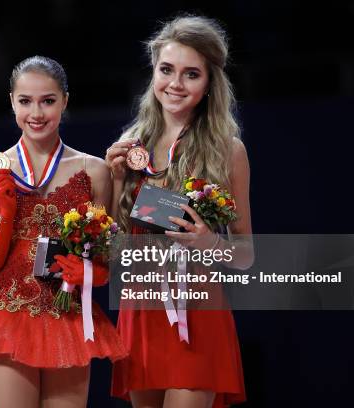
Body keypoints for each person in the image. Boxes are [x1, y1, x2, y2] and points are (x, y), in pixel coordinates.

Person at [0, 56, 127, 408]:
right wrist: (6, 213)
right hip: (8, 316)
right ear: (11, 101)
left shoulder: (95, 170)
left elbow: (107, 258)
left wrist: (90, 271)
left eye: (48, 101)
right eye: (25, 101)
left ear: (65, 101)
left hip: (67, 315)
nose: (36, 113)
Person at [105, 16, 254, 408]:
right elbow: (115, 248)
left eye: (191, 74)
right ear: (153, 72)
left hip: (197, 312)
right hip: (141, 311)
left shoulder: (227, 150)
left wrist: (209, 241)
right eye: (166, 70)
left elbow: (245, 255)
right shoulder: (130, 145)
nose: (175, 84)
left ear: (208, 86)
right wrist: (116, 182)